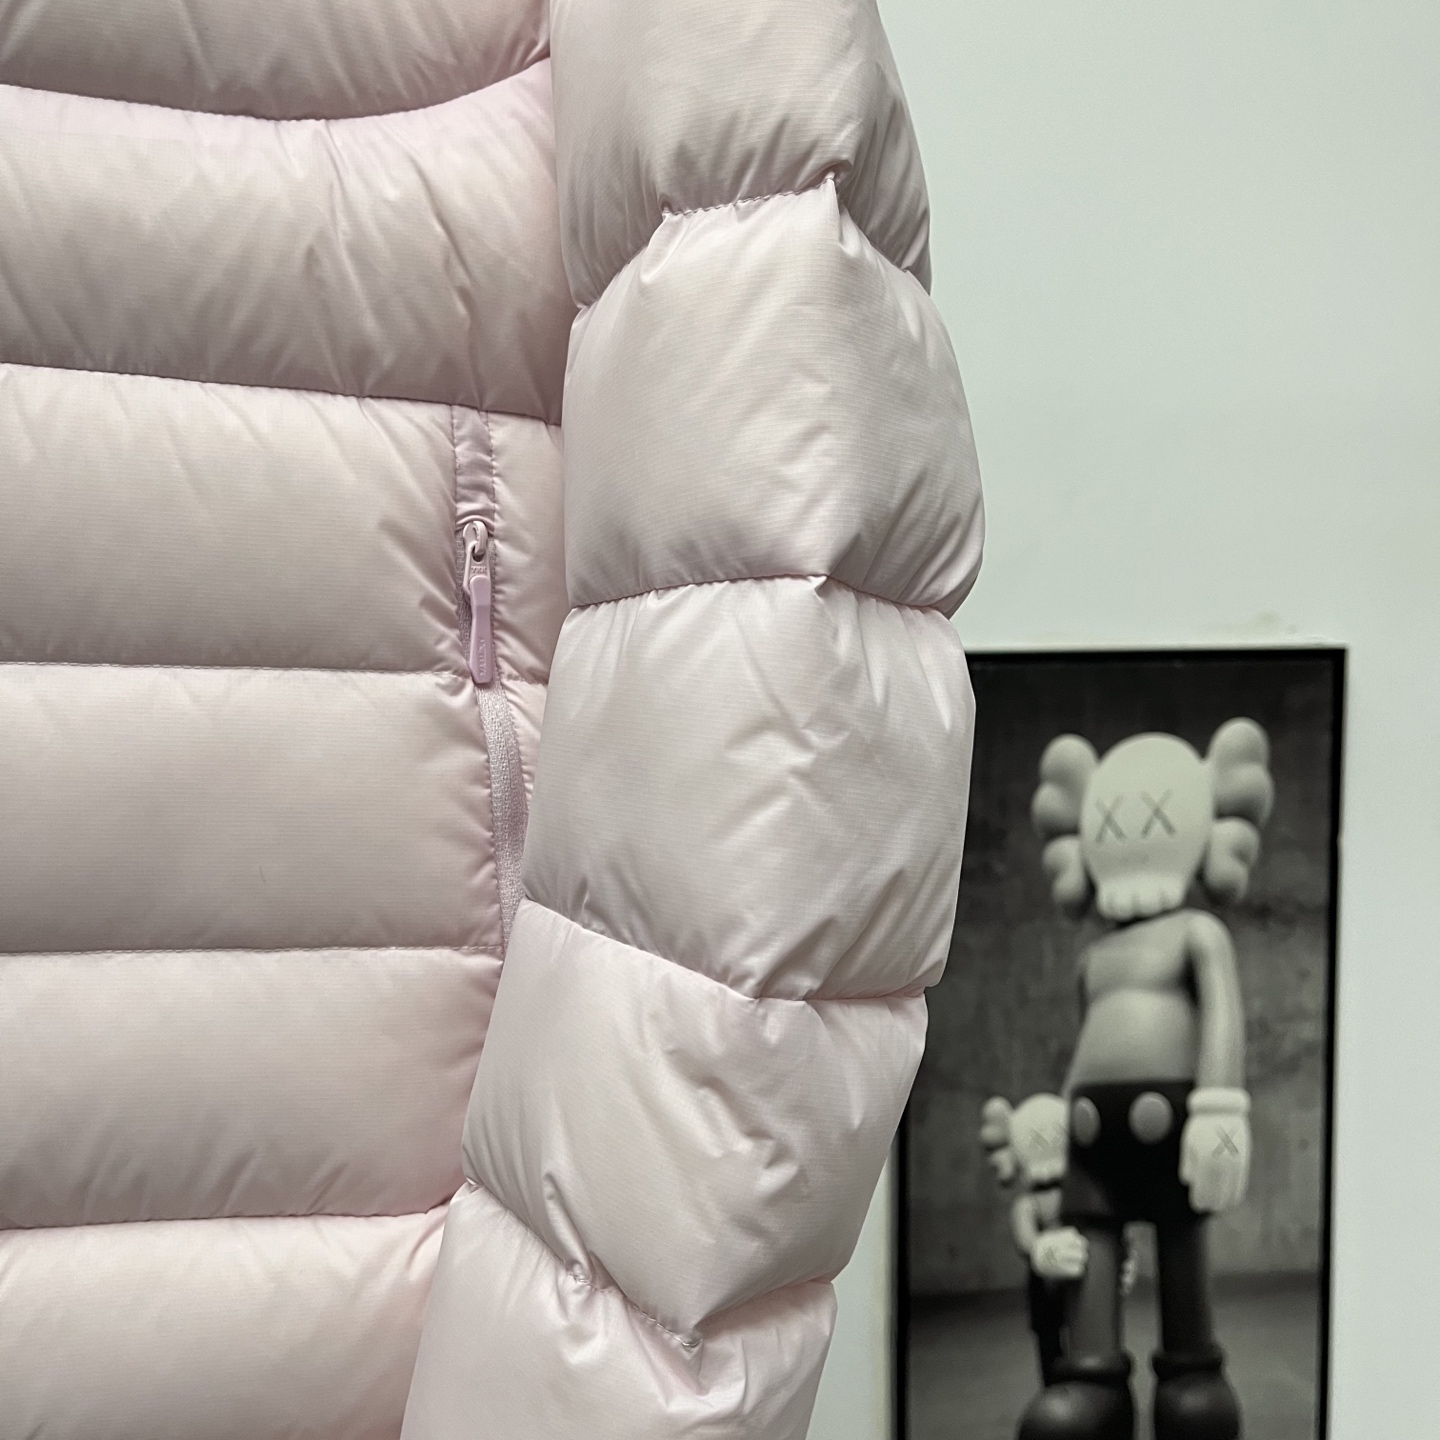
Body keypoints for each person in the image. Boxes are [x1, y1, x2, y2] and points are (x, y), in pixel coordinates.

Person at [1016, 722, 1273, 1440]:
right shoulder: (1093, 958)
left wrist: (1221, 1109)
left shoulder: (1200, 933)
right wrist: (1055, 1130)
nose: (1131, 822)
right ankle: (1093, 1375)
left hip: (1174, 1124)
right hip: (1092, 1141)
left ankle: (1191, 1368)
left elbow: (1224, 1016)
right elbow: (1085, 1042)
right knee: (1094, 1245)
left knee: (1181, 1237)